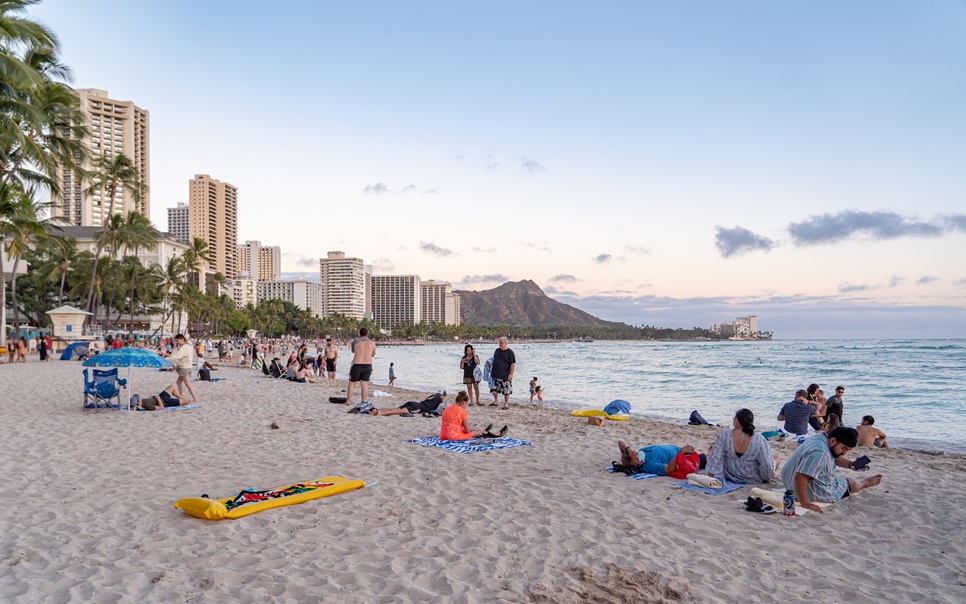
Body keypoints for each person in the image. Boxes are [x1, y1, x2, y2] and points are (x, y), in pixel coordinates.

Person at [780, 426, 883, 513]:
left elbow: (834, 456)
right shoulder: (820, 453)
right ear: (833, 440)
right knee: (850, 482)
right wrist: (805, 503)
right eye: (844, 448)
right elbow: (801, 476)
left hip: (788, 481)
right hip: (801, 489)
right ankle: (864, 483)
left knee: (838, 473)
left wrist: (851, 464)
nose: (844, 452)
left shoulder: (819, 438)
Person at [706, 409, 779, 483]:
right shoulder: (759, 438)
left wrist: (710, 477)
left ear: (736, 420)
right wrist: (767, 479)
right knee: (776, 458)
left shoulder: (724, 435)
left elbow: (715, 458)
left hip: (731, 476)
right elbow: (766, 463)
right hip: (753, 478)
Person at [614, 440, 707, 478]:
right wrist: (681, 452)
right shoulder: (649, 465)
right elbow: (668, 469)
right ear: (636, 465)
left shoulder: (638, 453)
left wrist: (628, 450)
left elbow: (620, 443)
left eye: (632, 455)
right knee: (708, 458)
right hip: (685, 459)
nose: (634, 455)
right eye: (633, 458)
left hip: (680, 451)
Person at [440, 391, 508, 440]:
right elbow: (467, 430)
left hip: (444, 435)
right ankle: (498, 433)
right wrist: (470, 428)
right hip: (454, 436)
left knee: (476, 431)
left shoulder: (448, 408)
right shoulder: (462, 411)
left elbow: (453, 424)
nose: (466, 406)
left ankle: (485, 431)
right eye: (466, 404)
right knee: (479, 432)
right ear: (464, 402)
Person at [163, 334, 199, 404]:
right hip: (187, 366)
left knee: (188, 384)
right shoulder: (189, 346)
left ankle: (195, 399)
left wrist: (166, 359)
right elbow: (184, 357)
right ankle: (181, 397)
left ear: (182, 339)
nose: (177, 343)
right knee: (179, 382)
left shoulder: (184, 347)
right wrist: (176, 364)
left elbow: (178, 356)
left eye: (177, 341)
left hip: (184, 367)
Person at [345, 328, 376, 407]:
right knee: (364, 384)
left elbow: (353, 351)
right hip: (368, 365)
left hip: (357, 364)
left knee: (352, 383)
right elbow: (373, 354)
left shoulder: (355, 341)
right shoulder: (372, 343)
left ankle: (348, 400)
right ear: (367, 333)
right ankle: (363, 401)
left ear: (359, 333)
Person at [362, 390, 448, 416]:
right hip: (420, 407)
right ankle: (380, 413)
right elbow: (438, 409)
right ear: (443, 396)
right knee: (400, 411)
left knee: (397, 409)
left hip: (415, 403)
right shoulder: (439, 399)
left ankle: (377, 410)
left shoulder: (432, 396)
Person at [489, 337, 515, 410]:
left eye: (501, 343)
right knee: (493, 389)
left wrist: (511, 374)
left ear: (506, 343)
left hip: (505, 374)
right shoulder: (497, 351)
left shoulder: (510, 352)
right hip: (495, 373)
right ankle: (496, 401)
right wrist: (491, 364)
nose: (500, 344)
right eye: (499, 343)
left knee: (506, 390)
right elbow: (494, 360)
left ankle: (506, 404)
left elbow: (512, 364)